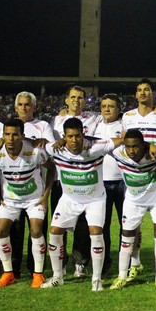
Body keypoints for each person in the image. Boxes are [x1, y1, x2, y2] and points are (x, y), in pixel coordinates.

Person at [42, 117, 114, 291]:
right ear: (64, 137)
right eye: (70, 136)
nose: (74, 140)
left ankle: (96, 280)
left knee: (96, 233)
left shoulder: (96, 148)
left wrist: (92, 141)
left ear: (83, 135)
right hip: (69, 199)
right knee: (54, 231)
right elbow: (38, 142)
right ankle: (57, 277)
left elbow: (122, 140)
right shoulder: (55, 149)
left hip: (95, 199)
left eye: (78, 136)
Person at [0, 118, 55, 288]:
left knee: (36, 229)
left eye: (15, 134)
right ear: (2, 135)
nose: (11, 138)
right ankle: (8, 273)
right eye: (7, 134)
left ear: (22, 136)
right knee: (1, 230)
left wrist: (46, 195)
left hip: (34, 199)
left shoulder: (34, 152)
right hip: (10, 199)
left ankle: (38, 274)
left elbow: (52, 168)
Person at [120, 79, 156, 281]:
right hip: (135, 178)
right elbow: (125, 143)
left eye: (147, 90)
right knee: (133, 226)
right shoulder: (127, 116)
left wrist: (155, 147)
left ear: (153, 93)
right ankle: (135, 263)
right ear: (135, 94)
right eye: (140, 90)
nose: (143, 93)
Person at [107, 129, 156, 292]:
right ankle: (122, 276)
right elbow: (95, 142)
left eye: (136, 146)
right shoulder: (118, 153)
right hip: (134, 201)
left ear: (142, 145)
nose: (131, 151)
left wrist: (152, 145)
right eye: (128, 147)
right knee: (127, 235)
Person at [52, 85, 100, 280]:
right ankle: (61, 264)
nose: (76, 101)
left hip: (84, 179)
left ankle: (80, 263)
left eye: (80, 98)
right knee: (60, 224)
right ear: (66, 100)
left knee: (82, 224)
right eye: (73, 97)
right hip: (61, 178)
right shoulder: (55, 120)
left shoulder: (94, 119)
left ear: (85, 101)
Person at [93, 93, 126, 278]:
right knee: (102, 226)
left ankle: (126, 263)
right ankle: (104, 264)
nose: (107, 109)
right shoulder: (95, 124)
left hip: (122, 181)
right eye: (104, 105)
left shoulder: (123, 125)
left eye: (111, 106)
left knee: (126, 225)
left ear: (118, 109)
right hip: (100, 183)